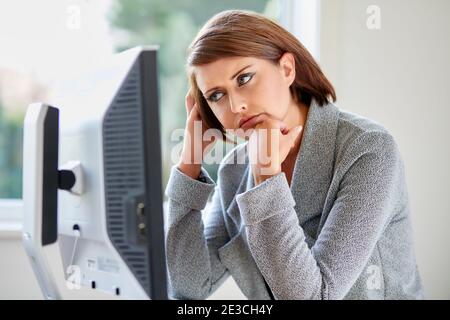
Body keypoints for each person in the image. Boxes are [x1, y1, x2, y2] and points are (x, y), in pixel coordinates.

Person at [164, 9, 424, 300]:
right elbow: (187, 288)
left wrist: (267, 178)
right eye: (216, 95)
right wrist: (188, 166)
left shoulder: (368, 150)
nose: (235, 105)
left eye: (244, 78)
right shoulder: (234, 171)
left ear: (287, 69)